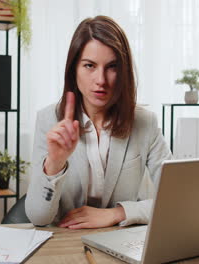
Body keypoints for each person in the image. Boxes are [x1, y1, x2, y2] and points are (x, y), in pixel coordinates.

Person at [25, 15, 171, 229]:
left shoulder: (144, 122)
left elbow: (176, 199)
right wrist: (54, 164)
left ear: (123, 72)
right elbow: (38, 217)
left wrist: (118, 213)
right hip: (65, 245)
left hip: (121, 241)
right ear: (74, 69)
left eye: (112, 67)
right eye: (89, 65)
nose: (101, 80)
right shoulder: (49, 119)